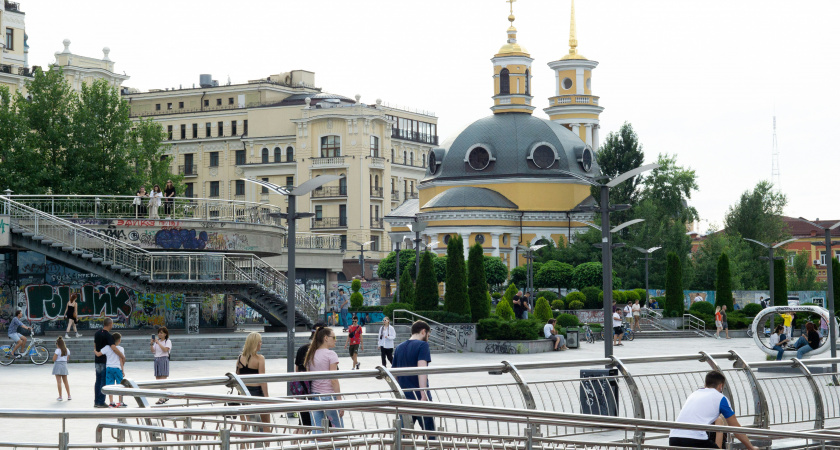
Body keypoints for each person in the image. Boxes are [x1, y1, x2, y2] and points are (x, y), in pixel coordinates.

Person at [669, 371, 757, 449]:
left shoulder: (694, 394)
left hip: (673, 438)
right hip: (695, 439)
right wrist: (751, 447)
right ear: (721, 386)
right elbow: (735, 427)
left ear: (705, 384)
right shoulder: (720, 398)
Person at [392, 320, 435, 434]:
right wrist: (423, 395)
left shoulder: (399, 347)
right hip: (419, 397)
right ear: (423, 332)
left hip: (404, 398)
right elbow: (422, 370)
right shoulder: (423, 345)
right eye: (428, 335)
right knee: (430, 435)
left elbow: (394, 375)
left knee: (403, 435)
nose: (428, 338)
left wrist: (398, 396)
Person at [304, 327, 343, 431]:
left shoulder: (311, 354)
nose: (335, 339)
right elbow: (333, 379)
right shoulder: (331, 354)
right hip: (329, 396)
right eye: (333, 337)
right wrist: (339, 400)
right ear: (326, 338)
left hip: (315, 395)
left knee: (316, 431)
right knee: (338, 431)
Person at [236, 332, 271, 430]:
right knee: (265, 425)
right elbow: (263, 380)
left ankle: (243, 445)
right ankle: (265, 445)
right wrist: (267, 398)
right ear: (255, 343)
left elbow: (237, 378)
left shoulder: (240, 358)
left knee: (245, 426)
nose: (261, 344)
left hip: (243, 393)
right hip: (257, 392)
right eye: (260, 342)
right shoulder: (260, 359)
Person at [94, 318, 124, 408]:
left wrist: (95, 351)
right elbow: (114, 348)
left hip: (97, 361)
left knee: (97, 381)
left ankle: (96, 401)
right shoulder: (108, 336)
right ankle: (101, 402)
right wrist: (122, 356)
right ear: (110, 324)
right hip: (104, 362)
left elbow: (95, 345)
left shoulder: (97, 333)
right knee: (103, 382)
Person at [151, 327, 172, 403]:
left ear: (165, 334)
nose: (159, 334)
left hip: (163, 359)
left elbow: (165, 350)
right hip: (157, 359)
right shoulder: (157, 342)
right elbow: (153, 351)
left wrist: (158, 342)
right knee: (158, 379)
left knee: (163, 379)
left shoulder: (168, 341)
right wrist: (151, 343)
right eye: (159, 333)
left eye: (161, 333)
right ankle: (164, 395)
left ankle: (162, 397)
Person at [53, 336, 71, 401]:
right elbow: (67, 358)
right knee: (66, 381)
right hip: (64, 365)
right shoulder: (67, 350)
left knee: (59, 382)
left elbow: (54, 359)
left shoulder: (57, 350)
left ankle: (60, 396)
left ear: (57, 344)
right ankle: (69, 395)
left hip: (57, 365)